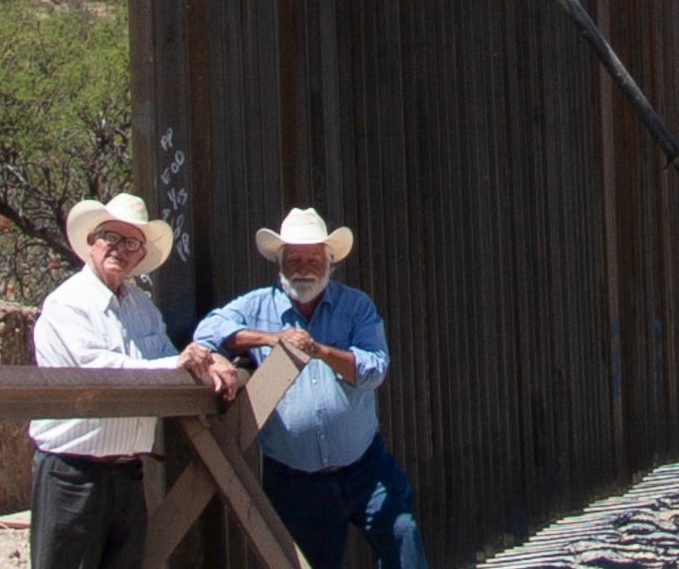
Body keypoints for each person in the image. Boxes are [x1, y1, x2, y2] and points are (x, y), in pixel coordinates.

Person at [193, 207, 428, 569]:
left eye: (313, 259)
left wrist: (318, 351)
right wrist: (271, 339)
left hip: (364, 463)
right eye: (295, 259)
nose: (304, 267)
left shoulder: (356, 306)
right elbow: (208, 331)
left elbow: (374, 368)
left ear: (329, 263)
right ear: (280, 263)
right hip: (294, 477)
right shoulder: (255, 306)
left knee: (401, 531)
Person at [28, 192, 241, 569]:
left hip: (127, 473)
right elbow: (98, 370)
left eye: (131, 242)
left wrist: (209, 364)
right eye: (111, 237)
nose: (119, 249)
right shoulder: (68, 303)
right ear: (91, 242)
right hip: (72, 472)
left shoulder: (142, 306)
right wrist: (178, 362)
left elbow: (167, 358)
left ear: (141, 256)